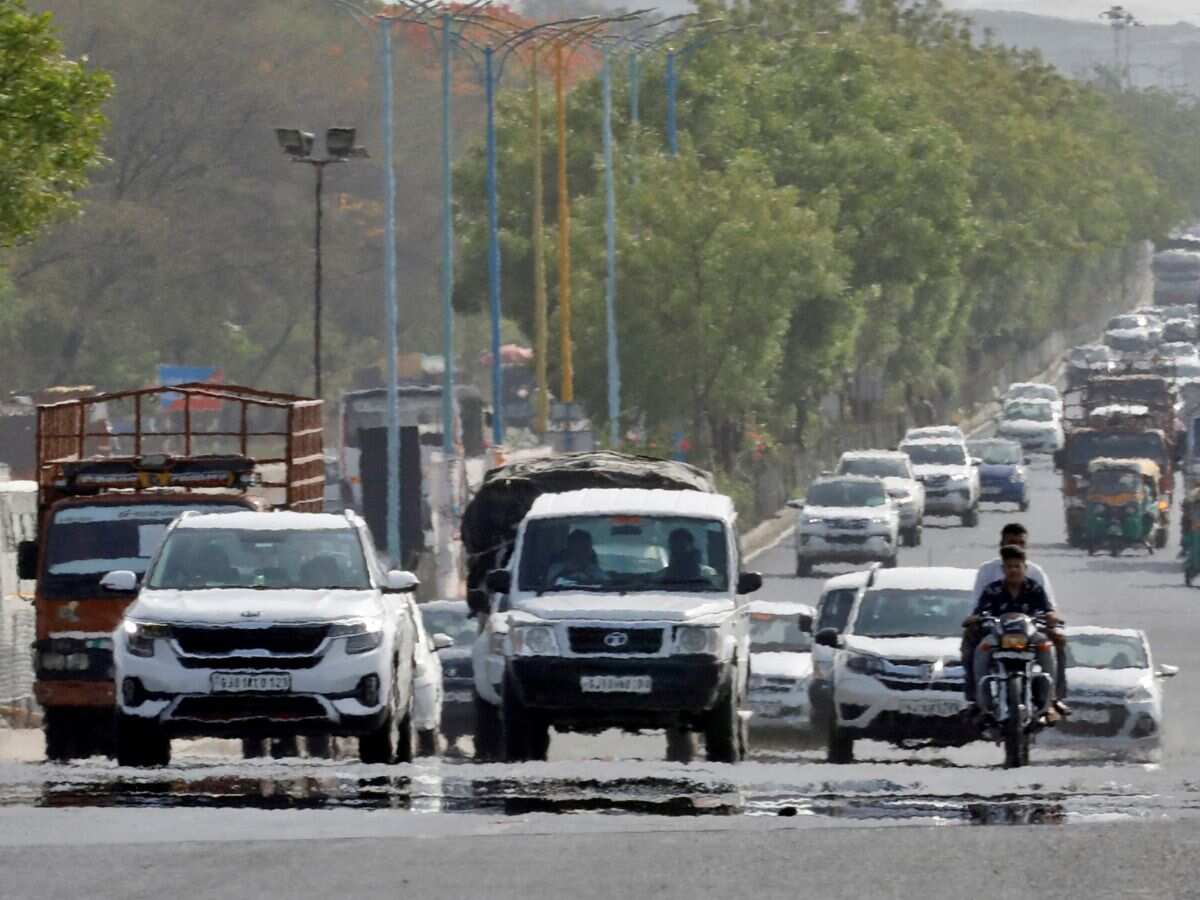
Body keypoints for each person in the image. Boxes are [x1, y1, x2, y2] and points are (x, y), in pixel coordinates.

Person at [967, 522, 1068, 714]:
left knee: (1055, 644)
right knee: (974, 647)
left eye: (1021, 543)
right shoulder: (990, 580)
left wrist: (1053, 619)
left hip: (1031, 632)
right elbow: (978, 608)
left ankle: (1052, 699)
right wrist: (975, 619)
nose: (1013, 570)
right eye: (1009, 566)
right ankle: (978, 700)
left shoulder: (1035, 580)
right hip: (996, 631)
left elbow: (1049, 608)